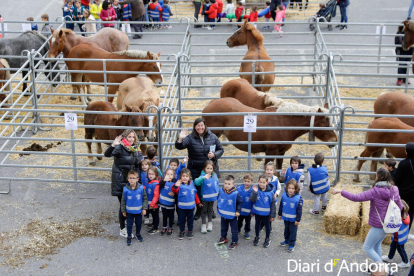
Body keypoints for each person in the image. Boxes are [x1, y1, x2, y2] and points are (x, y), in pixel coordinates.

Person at [332, 168, 403, 263]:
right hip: (389, 224)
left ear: (378, 177)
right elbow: (400, 207)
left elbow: (356, 197)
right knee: (376, 246)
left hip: (379, 225)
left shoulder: (375, 191)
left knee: (367, 247)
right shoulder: (395, 189)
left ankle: (382, 269)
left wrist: (341, 191)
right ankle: (377, 268)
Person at [175, 117, 224, 221]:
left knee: (209, 188)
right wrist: (180, 138)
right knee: (197, 190)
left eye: (202, 125)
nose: (200, 127)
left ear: (205, 126)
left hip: (209, 169)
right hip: (195, 169)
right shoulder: (190, 137)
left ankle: (210, 210)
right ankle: (199, 209)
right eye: (198, 126)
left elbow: (221, 149)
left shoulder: (213, 136)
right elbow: (179, 146)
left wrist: (214, 155)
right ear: (195, 127)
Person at [104, 129, 143, 238]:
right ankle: (122, 228)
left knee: (129, 202)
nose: (131, 139)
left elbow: (137, 165)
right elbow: (107, 154)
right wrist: (113, 145)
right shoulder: (119, 148)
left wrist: (138, 180)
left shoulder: (134, 149)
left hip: (130, 181)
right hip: (120, 180)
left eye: (133, 137)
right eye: (129, 137)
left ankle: (128, 221)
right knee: (123, 205)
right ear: (125, 138)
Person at [171, 168, 203, 240]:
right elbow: (173, 189)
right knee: (182, 220)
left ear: (189, 177)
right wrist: (176, 185)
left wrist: (198, 203)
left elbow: (195, 194)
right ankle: (182, 231)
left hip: (191, 208)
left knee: (190, 220)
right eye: (183, 176)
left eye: (186, 176)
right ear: (180, 177)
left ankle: (190, 231)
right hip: (181, 208)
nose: (185, 178)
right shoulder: (178, 184)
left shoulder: (192, 184)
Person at [121, 170, 148, 245]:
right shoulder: (125, 189)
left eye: (134, 178)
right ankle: (129, 236)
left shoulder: (141, 188)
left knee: (138, 223)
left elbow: (145, 199)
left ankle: (138, 234)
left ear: (137, 179)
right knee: (129, 224)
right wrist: (123, 210)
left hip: (138, 211)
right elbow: (123, 201)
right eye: (130, 178)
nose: (132, 180)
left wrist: (144, 208)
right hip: (129, 212)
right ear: (128, 179)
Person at [381, 200, 411, 268]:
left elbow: (390, 226)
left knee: (401, 250)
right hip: (399, 237)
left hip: (398, 238)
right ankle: (390, 257)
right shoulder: (405, 215)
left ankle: (405, 262)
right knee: (392, 247)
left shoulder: (398, 219)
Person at [216, 175, 243, 250]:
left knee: (234, 229)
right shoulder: (221, 190)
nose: (226, 185)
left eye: (229, 184)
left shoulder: (235, 193)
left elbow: (240, 202)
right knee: (223, 227)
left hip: (232, 215)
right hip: (223, 214)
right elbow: (219, 198)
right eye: (225, 183)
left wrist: (238, 211)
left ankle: (235, 241)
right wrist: (219, 207)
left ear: (233, 184)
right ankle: (223, 237)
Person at [250, 174, 276, 248]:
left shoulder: (270, 193)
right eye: (260, 182)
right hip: (257, 213)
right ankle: (257, 237)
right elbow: (252, 200)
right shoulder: (255, 190)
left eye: (263, 182)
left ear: (267, 183)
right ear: (258, 181)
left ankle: (267, 239)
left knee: (267, 226)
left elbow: (273, 204)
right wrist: (255, 192)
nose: (261, 184)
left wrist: (272, 215)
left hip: (266, 214)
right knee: (257, 225)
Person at [394, 142, 414, 238]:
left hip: (404, 192)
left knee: (401, 211)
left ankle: (398, 231)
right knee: (411, 212)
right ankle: (407, 232)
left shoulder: (403, 163)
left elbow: (397, 179)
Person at [278, 179, 303, 252]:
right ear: (286, 188)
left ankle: (291, 244)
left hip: (293, 219)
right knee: (286, 230)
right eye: (289, 188)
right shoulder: (284, 195)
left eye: (292, 188)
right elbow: (281, 205)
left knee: (293, 232)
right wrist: (280, 214)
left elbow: (299, 210)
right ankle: (286, 240)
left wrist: (297, 220)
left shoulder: (298, 198)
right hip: (286, 218)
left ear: (296, 189)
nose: (291, 190)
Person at [195, 160, 219, 233]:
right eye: (207, 168)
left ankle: (210, 223)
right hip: (204, 198)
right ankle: (203, 224)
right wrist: (203, 178)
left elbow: (217, 184)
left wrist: (217, 194)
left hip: (212, 198)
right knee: (204, 211)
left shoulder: (214, 175)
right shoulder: (202, 176)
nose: (209, 170)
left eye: (211, 168)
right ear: (204, 169)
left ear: (213, 169)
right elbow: (196, 182)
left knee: (210, 210)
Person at [159, 168, 176, 235]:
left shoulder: (174, 184)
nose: (169, 176)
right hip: (163, 203)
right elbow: (160, 184)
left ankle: (170, 227)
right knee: (164, 216)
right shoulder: (163, 182)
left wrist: (174, 194)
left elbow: (177, 192)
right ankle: (164, 227)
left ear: (173, 176)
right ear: (165, 175)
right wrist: (164, 180)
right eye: (168, 174)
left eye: (171, 174)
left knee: (171, 216)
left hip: (171, 204)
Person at [145, 166, 161, 235]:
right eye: (149, 174)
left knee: (155, 216)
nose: (150, 175)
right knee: (152, 214)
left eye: (152, 174)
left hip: (154, 205)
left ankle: (156, 228)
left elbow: (156, 196)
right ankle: (153, 224)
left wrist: (152, 204)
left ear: (156, 175)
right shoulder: (149, 182)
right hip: (150, 204)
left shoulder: (156, 184)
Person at [237, 173, 254, 240]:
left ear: (252, 182)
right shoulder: (239, 189)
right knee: (239, 221)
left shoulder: (253, 191)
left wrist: (252, 211)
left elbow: (254, 202)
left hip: (248, 212)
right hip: (240, 211)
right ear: (243, 181)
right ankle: (238, 229)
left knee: (248, 223)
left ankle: (247, 231)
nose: (246, 183)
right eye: (245, 181)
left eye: (248, 181)